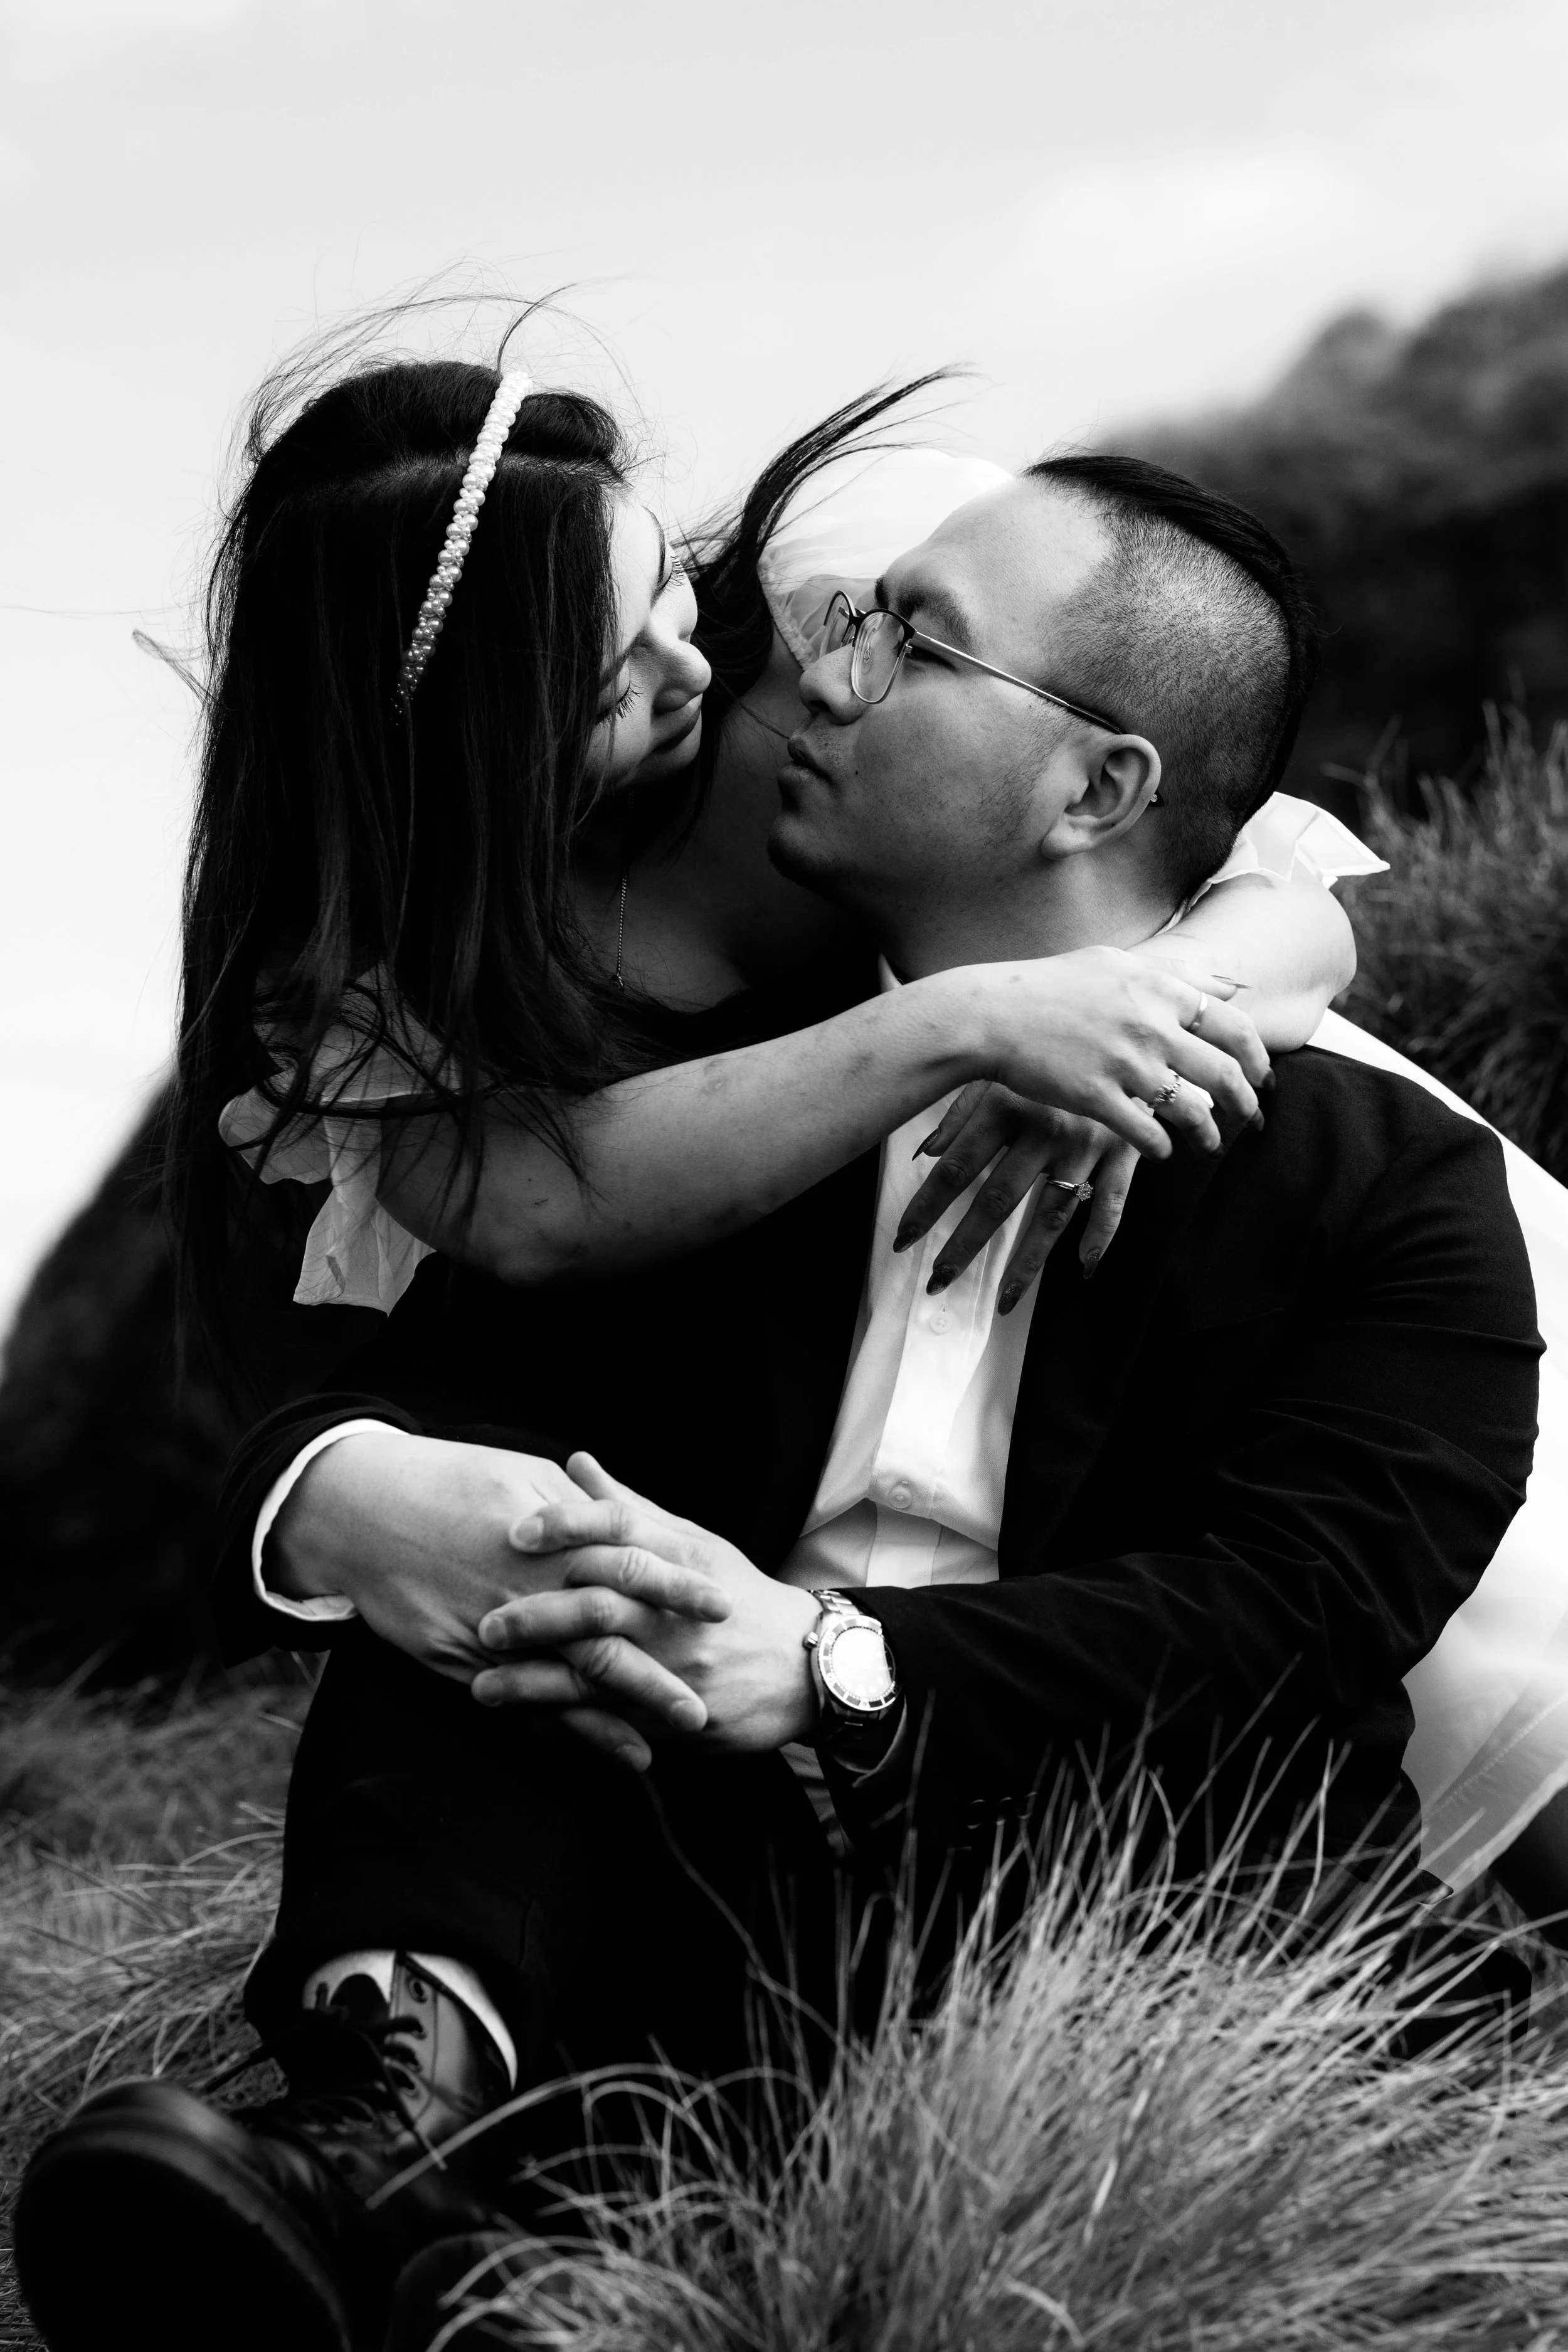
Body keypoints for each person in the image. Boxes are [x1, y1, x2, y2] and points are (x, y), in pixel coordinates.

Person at [16, 443, 1540, 2352]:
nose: (814, 672)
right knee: (536, 1598)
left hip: (1115, 1875)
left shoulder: (1384, 1185)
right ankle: (374, 2127)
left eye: (912, 641)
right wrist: (360, 1494)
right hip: (707, 1829)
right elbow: (436, 1364)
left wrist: (822, 1658)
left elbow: (1297, 1614)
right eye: (852, 620)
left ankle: (539, 2245)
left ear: (1093, 783)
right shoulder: (732, 1110)